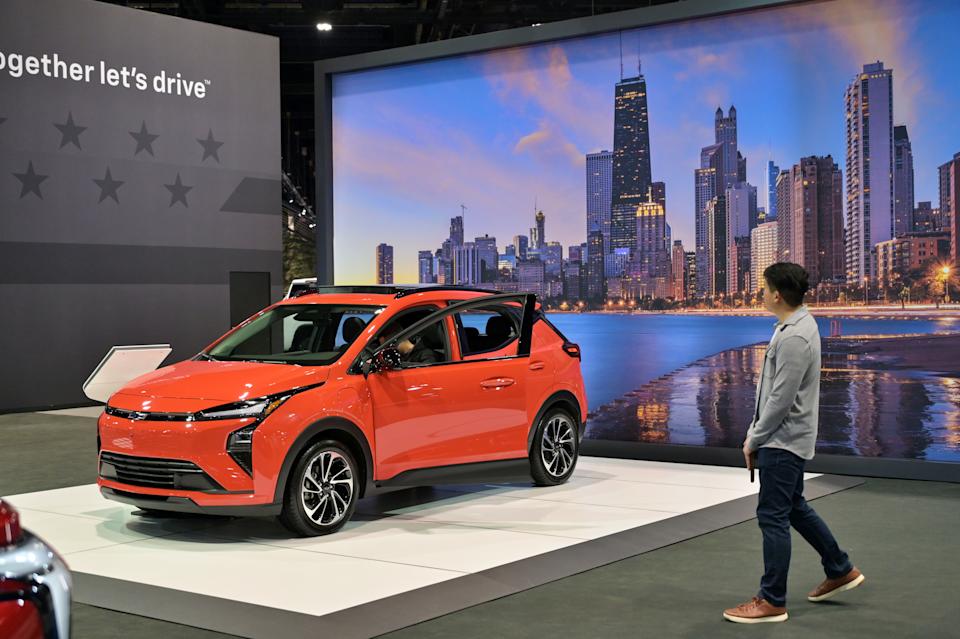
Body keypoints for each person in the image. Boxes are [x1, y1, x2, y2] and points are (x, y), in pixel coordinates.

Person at [723, 262, 864, 624]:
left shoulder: (794, 337)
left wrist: (753, 438)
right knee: (794, 506)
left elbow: (780, 400)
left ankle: (772, 600)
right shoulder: (793, 327)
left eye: (764, 288)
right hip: (785, 439)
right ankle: (839, 567)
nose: (761, 294)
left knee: (772, 516)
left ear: (778, 294)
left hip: (782, 442)